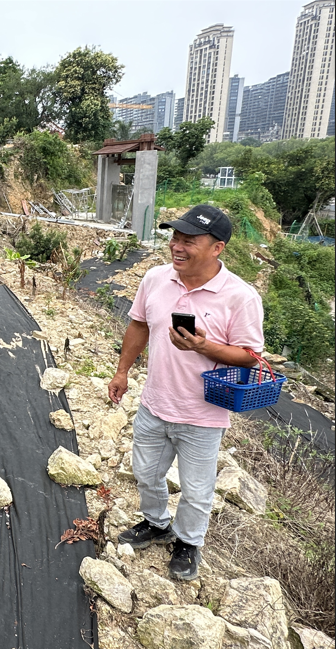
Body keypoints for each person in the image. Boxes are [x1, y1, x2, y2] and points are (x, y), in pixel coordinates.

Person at [107, 204, 264, 581]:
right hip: (154, 404)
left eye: (189, 241)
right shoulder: (155, 279)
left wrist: (204, 347)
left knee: (196, 490)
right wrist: (122, 371)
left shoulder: (240, 296)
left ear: (217, 248)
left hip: (203, 415)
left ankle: (189, 542)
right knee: (145, 474)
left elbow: (250, 356)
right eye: (175, 237)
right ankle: (156, 523)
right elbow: (139, 325)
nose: (177, 246)